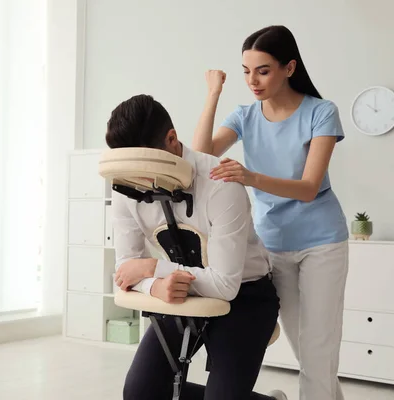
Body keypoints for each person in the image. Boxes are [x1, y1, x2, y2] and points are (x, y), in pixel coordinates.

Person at [191, 25, 349, 400]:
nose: (252, 80)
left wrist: (250, 177)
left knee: (318, 347)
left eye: (262, 70)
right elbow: (200, 158)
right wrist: (213, 94)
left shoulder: (321, 112)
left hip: (322, 242)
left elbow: (309, 188)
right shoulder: (246, 116)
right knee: (304, 346)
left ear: (289, 68)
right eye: (246, 71)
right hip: (273, 245)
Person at [106, 94, 288, 400]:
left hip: (245, 295)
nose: (139, 180)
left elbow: (225, 284)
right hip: (177, 289)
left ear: (172, 139)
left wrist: (153, 268)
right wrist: (154, 286)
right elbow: (126, 269)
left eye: (145, 164)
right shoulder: (128, 185)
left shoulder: (221, 183)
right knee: (141, 394)